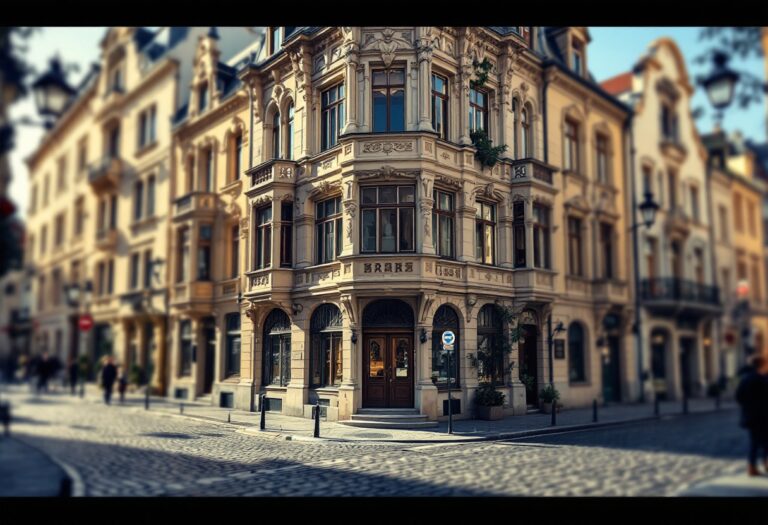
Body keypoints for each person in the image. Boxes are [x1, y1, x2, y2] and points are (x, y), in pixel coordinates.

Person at [735, 354, 768, 476]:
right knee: (764, 442)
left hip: (750, 416)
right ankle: (762, 464)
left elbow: (738, 397)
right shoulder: (762, 379)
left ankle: (752, 466)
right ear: (762, 365)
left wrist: (747, 406)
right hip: (763, 416)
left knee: (755, 442)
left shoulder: (745, 379)